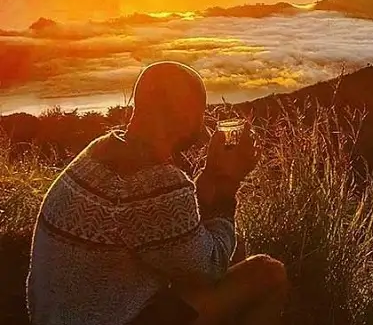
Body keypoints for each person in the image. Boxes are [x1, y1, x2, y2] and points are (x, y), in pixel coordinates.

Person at [27, 61, 288, 325]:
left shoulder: (100, 151)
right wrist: (229, 185)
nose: (203, 118)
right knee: (266, 273)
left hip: (62, 314)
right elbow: (211, 266)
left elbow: (173, 228)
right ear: (183, 115)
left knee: (231, 245)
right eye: (200, 108)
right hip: (112, 318)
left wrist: (211, 174)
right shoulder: (154, 181)